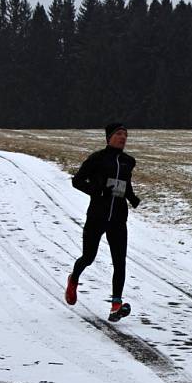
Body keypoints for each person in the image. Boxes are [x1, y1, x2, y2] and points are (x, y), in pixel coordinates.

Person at [64, 122, 140, 321]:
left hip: (118, 219)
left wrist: (132, 198)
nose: (123, 137)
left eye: (125, 134)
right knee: (88, 257)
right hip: (97, 216)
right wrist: (97, 191)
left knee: (119, 262)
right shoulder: (97, 159)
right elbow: (77, 181)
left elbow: (125, 184)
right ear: (109, 137)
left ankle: (116, 304)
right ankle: (73, 279)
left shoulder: (127, 161)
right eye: (118, 134)